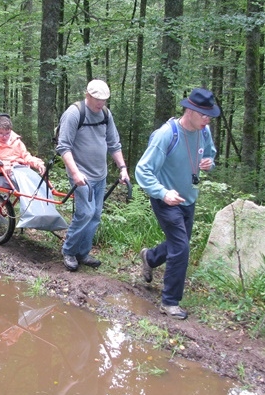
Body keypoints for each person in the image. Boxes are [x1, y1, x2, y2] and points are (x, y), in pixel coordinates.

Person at [135, 87, 220, 320]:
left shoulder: (204, 132)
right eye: (204, 115)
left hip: (188, 198)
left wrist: (209, 163)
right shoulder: (166, 134)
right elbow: (142, 170)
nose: (207, 119)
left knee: (178, 243)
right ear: (189, 110)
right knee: (181, 247)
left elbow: (211, 154)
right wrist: (162, 193)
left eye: (210, 115)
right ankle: (170, 302)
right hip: (166, 199)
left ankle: (150, 257)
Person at [56, 79, 130, 272]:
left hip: (100, 174)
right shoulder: (74, 113)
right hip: (81, 174)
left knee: (95, 215)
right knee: (85, 213)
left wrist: (122, 167)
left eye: (104, 100)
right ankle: (69, 251)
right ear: (87, 95)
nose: (100, 103)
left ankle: (83, 252)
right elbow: (63, 147)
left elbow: (114, 143)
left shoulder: (105, 114)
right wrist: (75, 172)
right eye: (97, 99)